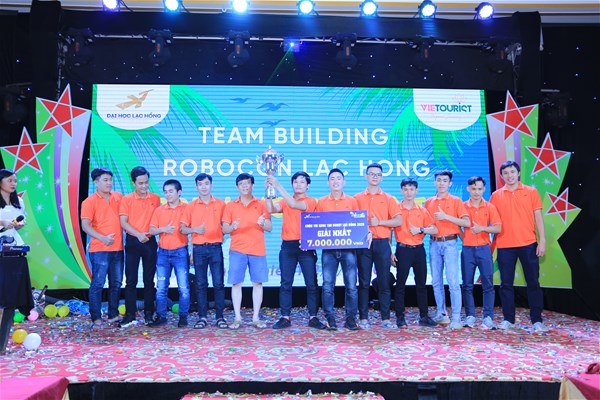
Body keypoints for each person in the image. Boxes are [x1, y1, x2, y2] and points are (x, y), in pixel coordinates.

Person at [489, 161, 549, 332]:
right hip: (504, 245)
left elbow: (538, 217)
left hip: (528, 244)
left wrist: (542, 241)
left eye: (512, 172)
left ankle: (537, 320)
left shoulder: (531, 192)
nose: (509, 175)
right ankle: (508, 319)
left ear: (519, 173)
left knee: (533, 282)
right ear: (501, 176)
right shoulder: (496, 196)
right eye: (506, 173)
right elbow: (492, 221)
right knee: (506, 284)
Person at [265, 172, 325, 330]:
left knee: (311, 283)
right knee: (286, 283)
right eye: (295, 182)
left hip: (305, 246)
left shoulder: (310, 201)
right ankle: (285, 317)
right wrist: (269, 191)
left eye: (302, 182)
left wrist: (278, 185)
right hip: (287, 246)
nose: (298, 185)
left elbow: (293, 204)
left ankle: (313, 317)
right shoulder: (285, 200)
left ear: (308, 185)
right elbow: (270, 209)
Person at [354, 163, 402, 330]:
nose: (375, 177)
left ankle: (386, 318)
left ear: (381, 178)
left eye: (378, 174)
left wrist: (379, 222)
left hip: (382, 243)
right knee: (364, 282)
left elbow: (398, 221)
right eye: (372, 174)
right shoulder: (357, 198)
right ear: (366, 176)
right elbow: (351, 220)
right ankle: (363, 318)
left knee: (384, 282)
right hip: (363, 244)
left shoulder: (389, 198)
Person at [222, 173, 272, 329]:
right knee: (236, 283)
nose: (244, 186)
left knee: (257, 283)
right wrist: (232, 227)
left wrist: (263, 223)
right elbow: (224, 229)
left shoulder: (261, 204)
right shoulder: (230, 206)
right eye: (241, 184)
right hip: (237, 250)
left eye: (247, 183)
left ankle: (256, 317)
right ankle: (237, 318)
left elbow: (269, 227)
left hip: (257, 249)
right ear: (237, 187)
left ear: (252, 185)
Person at [316, 168, 363, 331]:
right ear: (328, 182)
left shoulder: (352, 201)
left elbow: (359, 223)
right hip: (328, 250)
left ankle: (351, 319)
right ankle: (330, 319)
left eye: (338, 178)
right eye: (332, 179)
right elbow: (315, 225)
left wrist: (367, 232)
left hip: (349, 249)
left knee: (351, 286)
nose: (335, 181)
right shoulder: (321, 202)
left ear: (344, 182)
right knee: (327, 285)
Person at [180, 173, 228, 330]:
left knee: (218, 283)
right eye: (200, 184)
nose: (204, 187)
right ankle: (202, 317)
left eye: (206, 183)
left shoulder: (221, 204)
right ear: (196, 187)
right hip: (199, 249)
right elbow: (182, 229)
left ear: (211, 185)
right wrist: (195, 229)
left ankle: (220, 317)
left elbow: (226, 226)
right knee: (201, 284)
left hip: (215, 248)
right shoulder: (191, 206)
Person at [424, 170, 470, 330]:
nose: (441, 183)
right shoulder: (429, 202)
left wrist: (446, 217)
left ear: (450, 183)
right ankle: (442, 313)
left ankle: (456, 317)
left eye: (445, 180)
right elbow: (428, 224)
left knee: (453, 281)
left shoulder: (456, 201)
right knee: (436, 281)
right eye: (438, 180)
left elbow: (466, 222)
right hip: (434, 243)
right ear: (434, 182)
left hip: (450, 243)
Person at [80, 168, 124, 328]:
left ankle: (113, 314)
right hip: (99, 249)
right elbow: (85, 226)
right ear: (96, 182)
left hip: (118, 249)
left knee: (116, 283)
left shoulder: (118, 197)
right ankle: (96, 317)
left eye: (110, 180)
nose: (109, 183)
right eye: (105, 180)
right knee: (98, 284)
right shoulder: (89, 202)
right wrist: (103, 238)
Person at [391, 178, 438, 328]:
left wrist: (420, 230)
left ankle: (424, 316)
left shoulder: (422, 210)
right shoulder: (396, 209)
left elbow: (434, 229)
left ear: (416, 191)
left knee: (421, 285)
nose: (408, 192)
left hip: (419, 250)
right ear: (401, 191)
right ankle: (400, 317)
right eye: (405, 189)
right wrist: (391, 252)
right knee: (400, 285)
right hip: (402, 250)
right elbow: (389, 232)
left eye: (411, 189)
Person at [119, 166, 161, 327]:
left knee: (149, 280)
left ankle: (149, 312)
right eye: (140, 183)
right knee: (131, 280)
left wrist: (149, 234)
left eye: (146, 182)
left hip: (150, 241)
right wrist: (138, 234)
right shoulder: (127, 199)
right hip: (133, 241)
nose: (144, 186)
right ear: (133, 183)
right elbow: (123, 222)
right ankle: (130, 314)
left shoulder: (155, 198)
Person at [148, 179, 190, 328]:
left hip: (180, 252)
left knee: (183, 287)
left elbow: (192, 228)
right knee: (161, 288)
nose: (168, 194)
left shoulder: (187, 209)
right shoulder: (159, 210)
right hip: (163, 253)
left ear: (179, 192)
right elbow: (151, 230)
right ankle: (161, 316)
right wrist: (163, 229)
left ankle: (183, 316)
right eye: (165, 192)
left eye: (171, 191)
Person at [461, 176, 501, 329]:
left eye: (479, 189)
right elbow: (456, 226)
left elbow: (498, 228)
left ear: (484, 189)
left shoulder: (490, 207)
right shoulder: (462, 207)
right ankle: (470, 316)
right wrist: (464, 238)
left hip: (484, 248)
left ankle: (488, 317)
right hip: (467, 250)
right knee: (467, 284)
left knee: (488, 284)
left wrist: (482, 229)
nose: (476, 192)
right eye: (473, 189)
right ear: (468, 189)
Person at [0, 169, 33, 352]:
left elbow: (20, 223)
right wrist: (2, 223)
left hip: (14, 250)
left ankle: (2, 344)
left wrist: (17, 225)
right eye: (10, 180)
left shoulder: (18, 202)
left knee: (10, 299)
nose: (13, 184)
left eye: (15, 181)